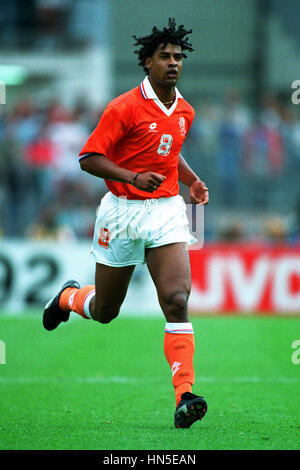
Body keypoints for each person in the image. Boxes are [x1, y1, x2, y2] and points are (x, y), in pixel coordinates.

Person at [43, 18, 209, 429]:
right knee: (105, 311)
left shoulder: (184, 109)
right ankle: (69, 297)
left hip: (166, 210)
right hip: (122, 212)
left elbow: (168, 153)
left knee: (176, 299)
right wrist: (132, 177)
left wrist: (191, 181)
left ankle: (184, 394)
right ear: (147, 63)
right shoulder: (123, 108)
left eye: (178, 57)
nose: (173, 63)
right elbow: (88, 158)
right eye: (164, 57)